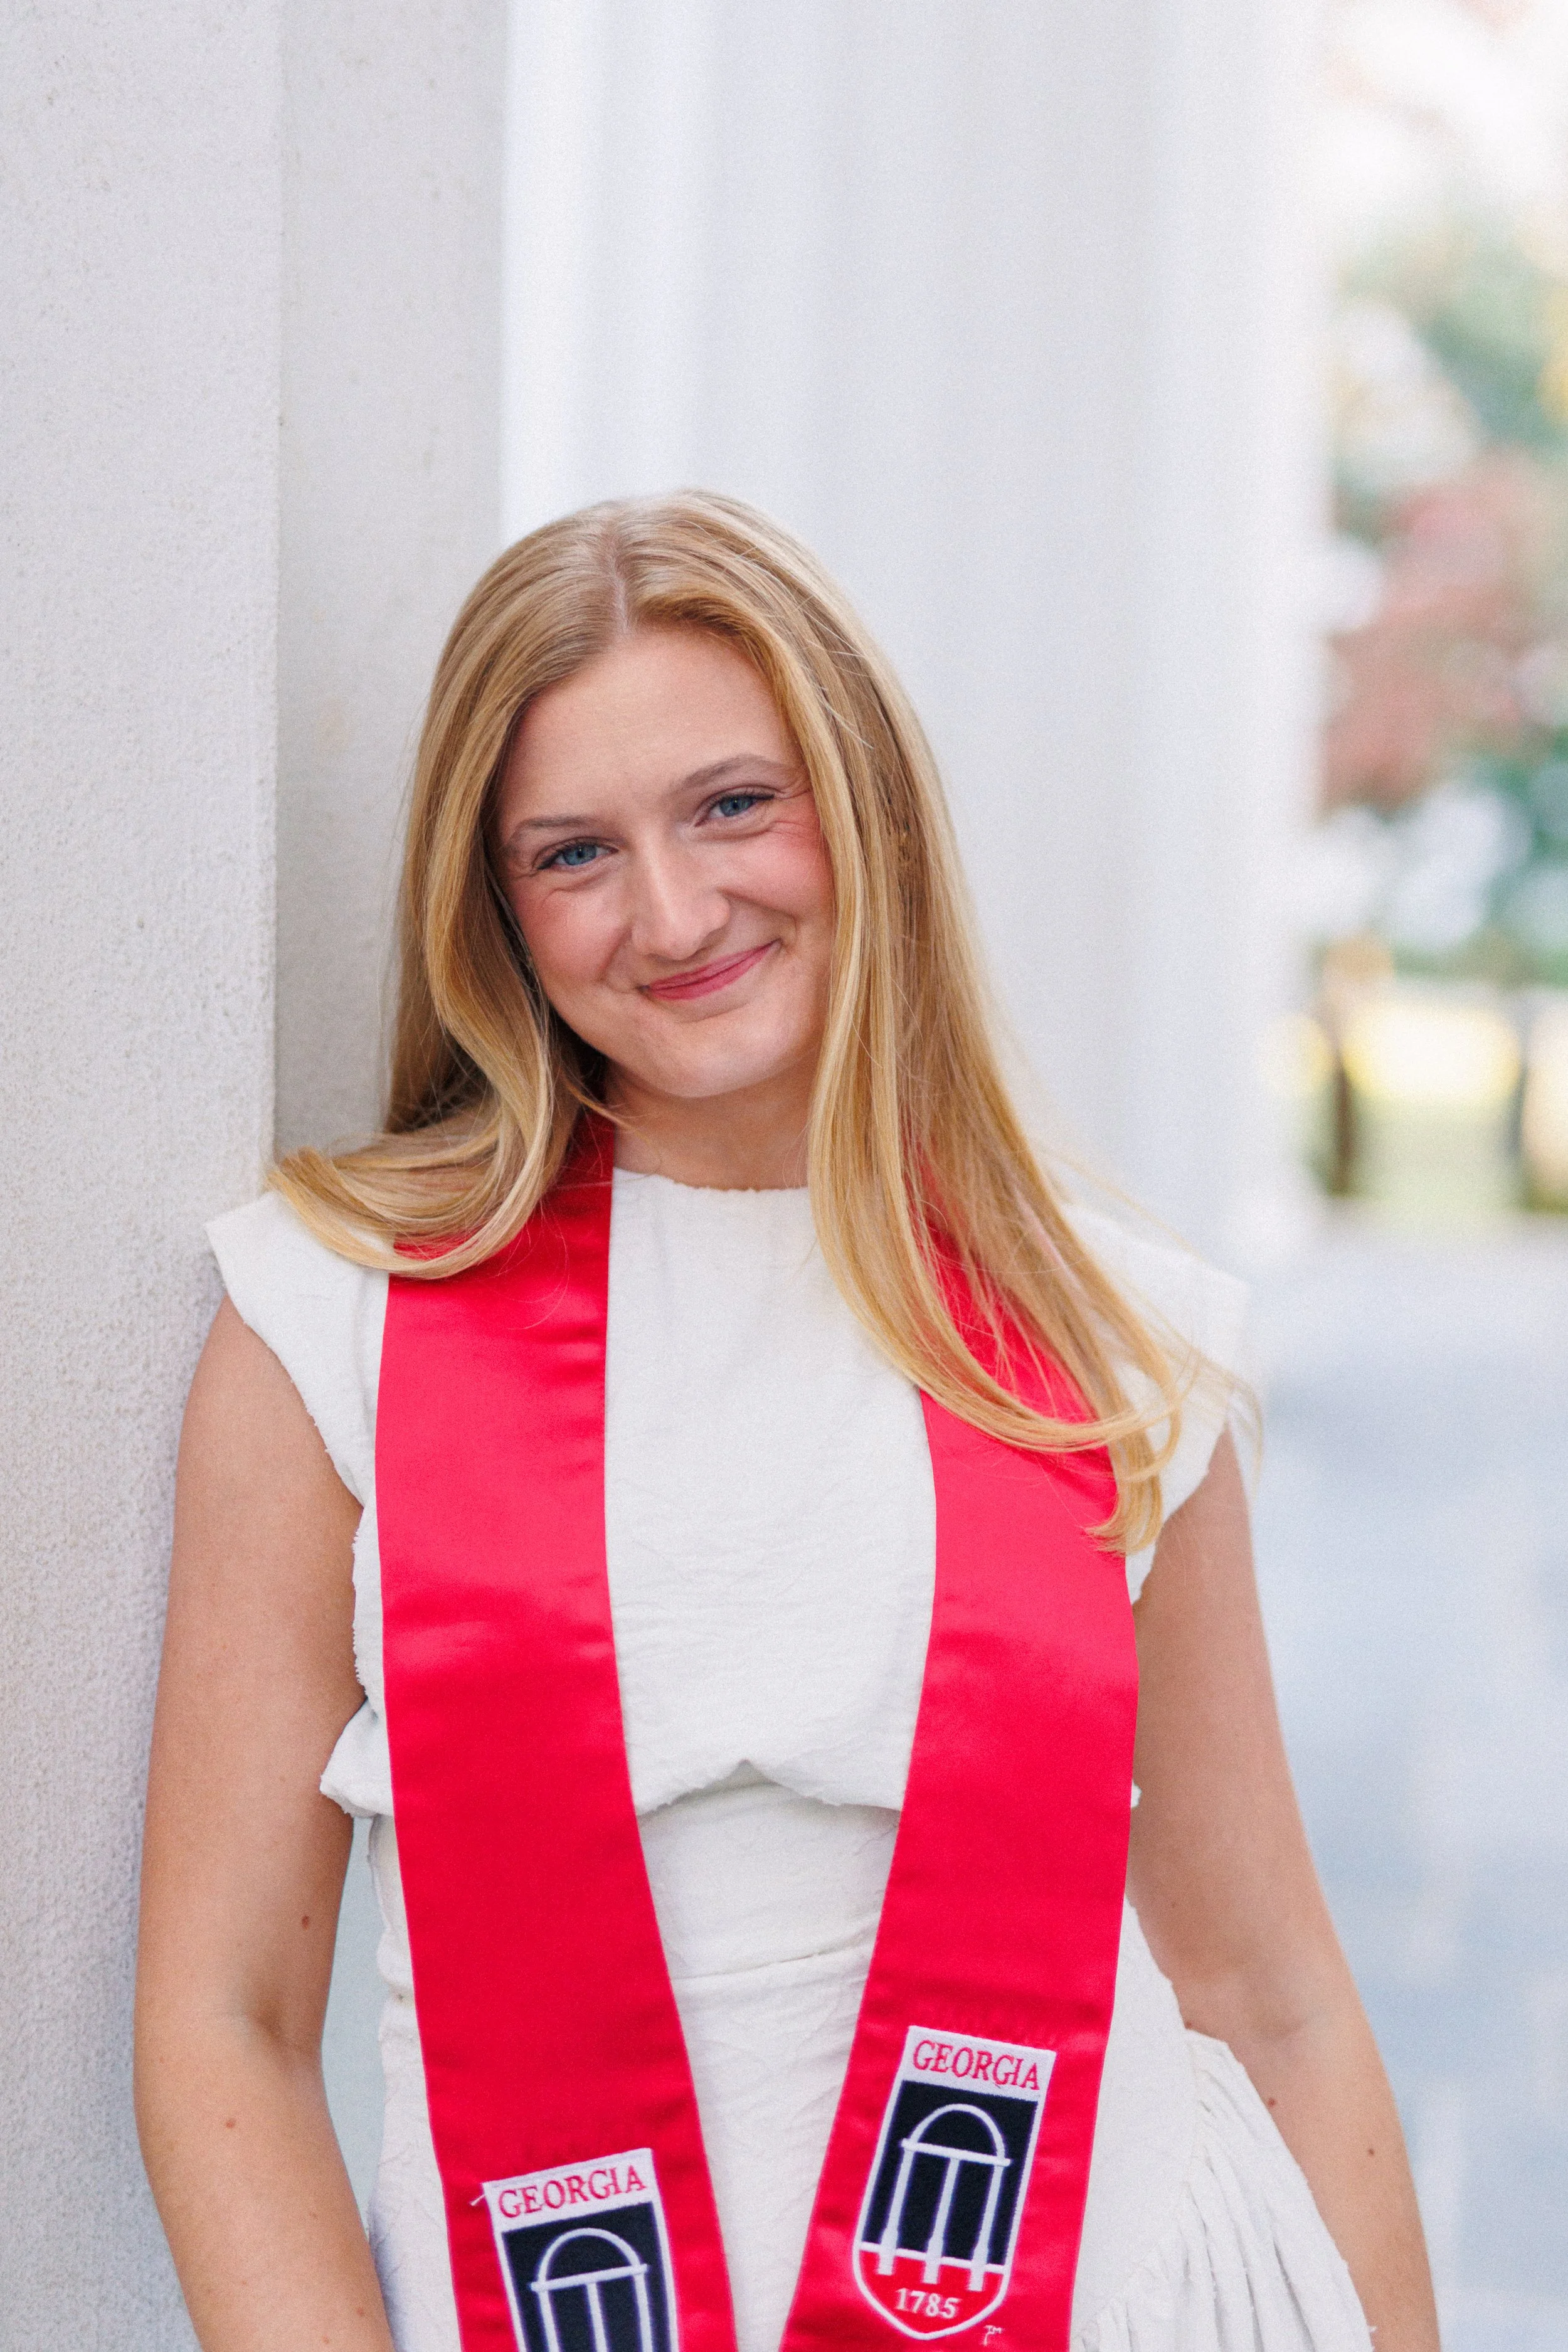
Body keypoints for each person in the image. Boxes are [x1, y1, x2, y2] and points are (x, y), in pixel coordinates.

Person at [135, 492, 1438, 2352]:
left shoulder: (1113, 1337)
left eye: (734, 805)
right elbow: (225, 2025)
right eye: (574, 852)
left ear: (864, 805)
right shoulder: (332, 1319)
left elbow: (1266, 1984)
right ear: (491, 906)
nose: (675, 913)